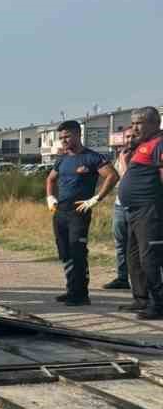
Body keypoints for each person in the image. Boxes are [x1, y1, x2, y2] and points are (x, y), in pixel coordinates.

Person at [45, 120, 116, 306]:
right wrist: (50, 197)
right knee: (65, 252)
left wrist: (96, 199)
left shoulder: (92, 157)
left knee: (77, 251)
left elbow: (112, 175)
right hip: (60, 210)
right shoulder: (62, 159)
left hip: (79, 210)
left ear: (78, 134)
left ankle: (81, 294)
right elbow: (51, 179)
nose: (64, 140)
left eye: (67, 136)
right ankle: (71, 290)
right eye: (61, 137)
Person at [118, 105, 163, 321]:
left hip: (149, 210)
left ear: (155, 124)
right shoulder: (142, 145)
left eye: (140, 123)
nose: (135, 127)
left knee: (150, 259)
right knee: (133, 257)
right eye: (133, 123)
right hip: (133, 211)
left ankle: (159, 304)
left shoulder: (159, 144)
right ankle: (141, 298)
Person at [102, 121, 139, 291]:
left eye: (133, 136)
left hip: (137, 207)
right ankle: (122, 277)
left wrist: (123, 162)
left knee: (137, 245)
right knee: (120, 243)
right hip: (119, 205)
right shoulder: (122, 154)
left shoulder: (141, 155)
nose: (130, 139)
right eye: (128, 136)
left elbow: (127, 180)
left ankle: (141, 281)